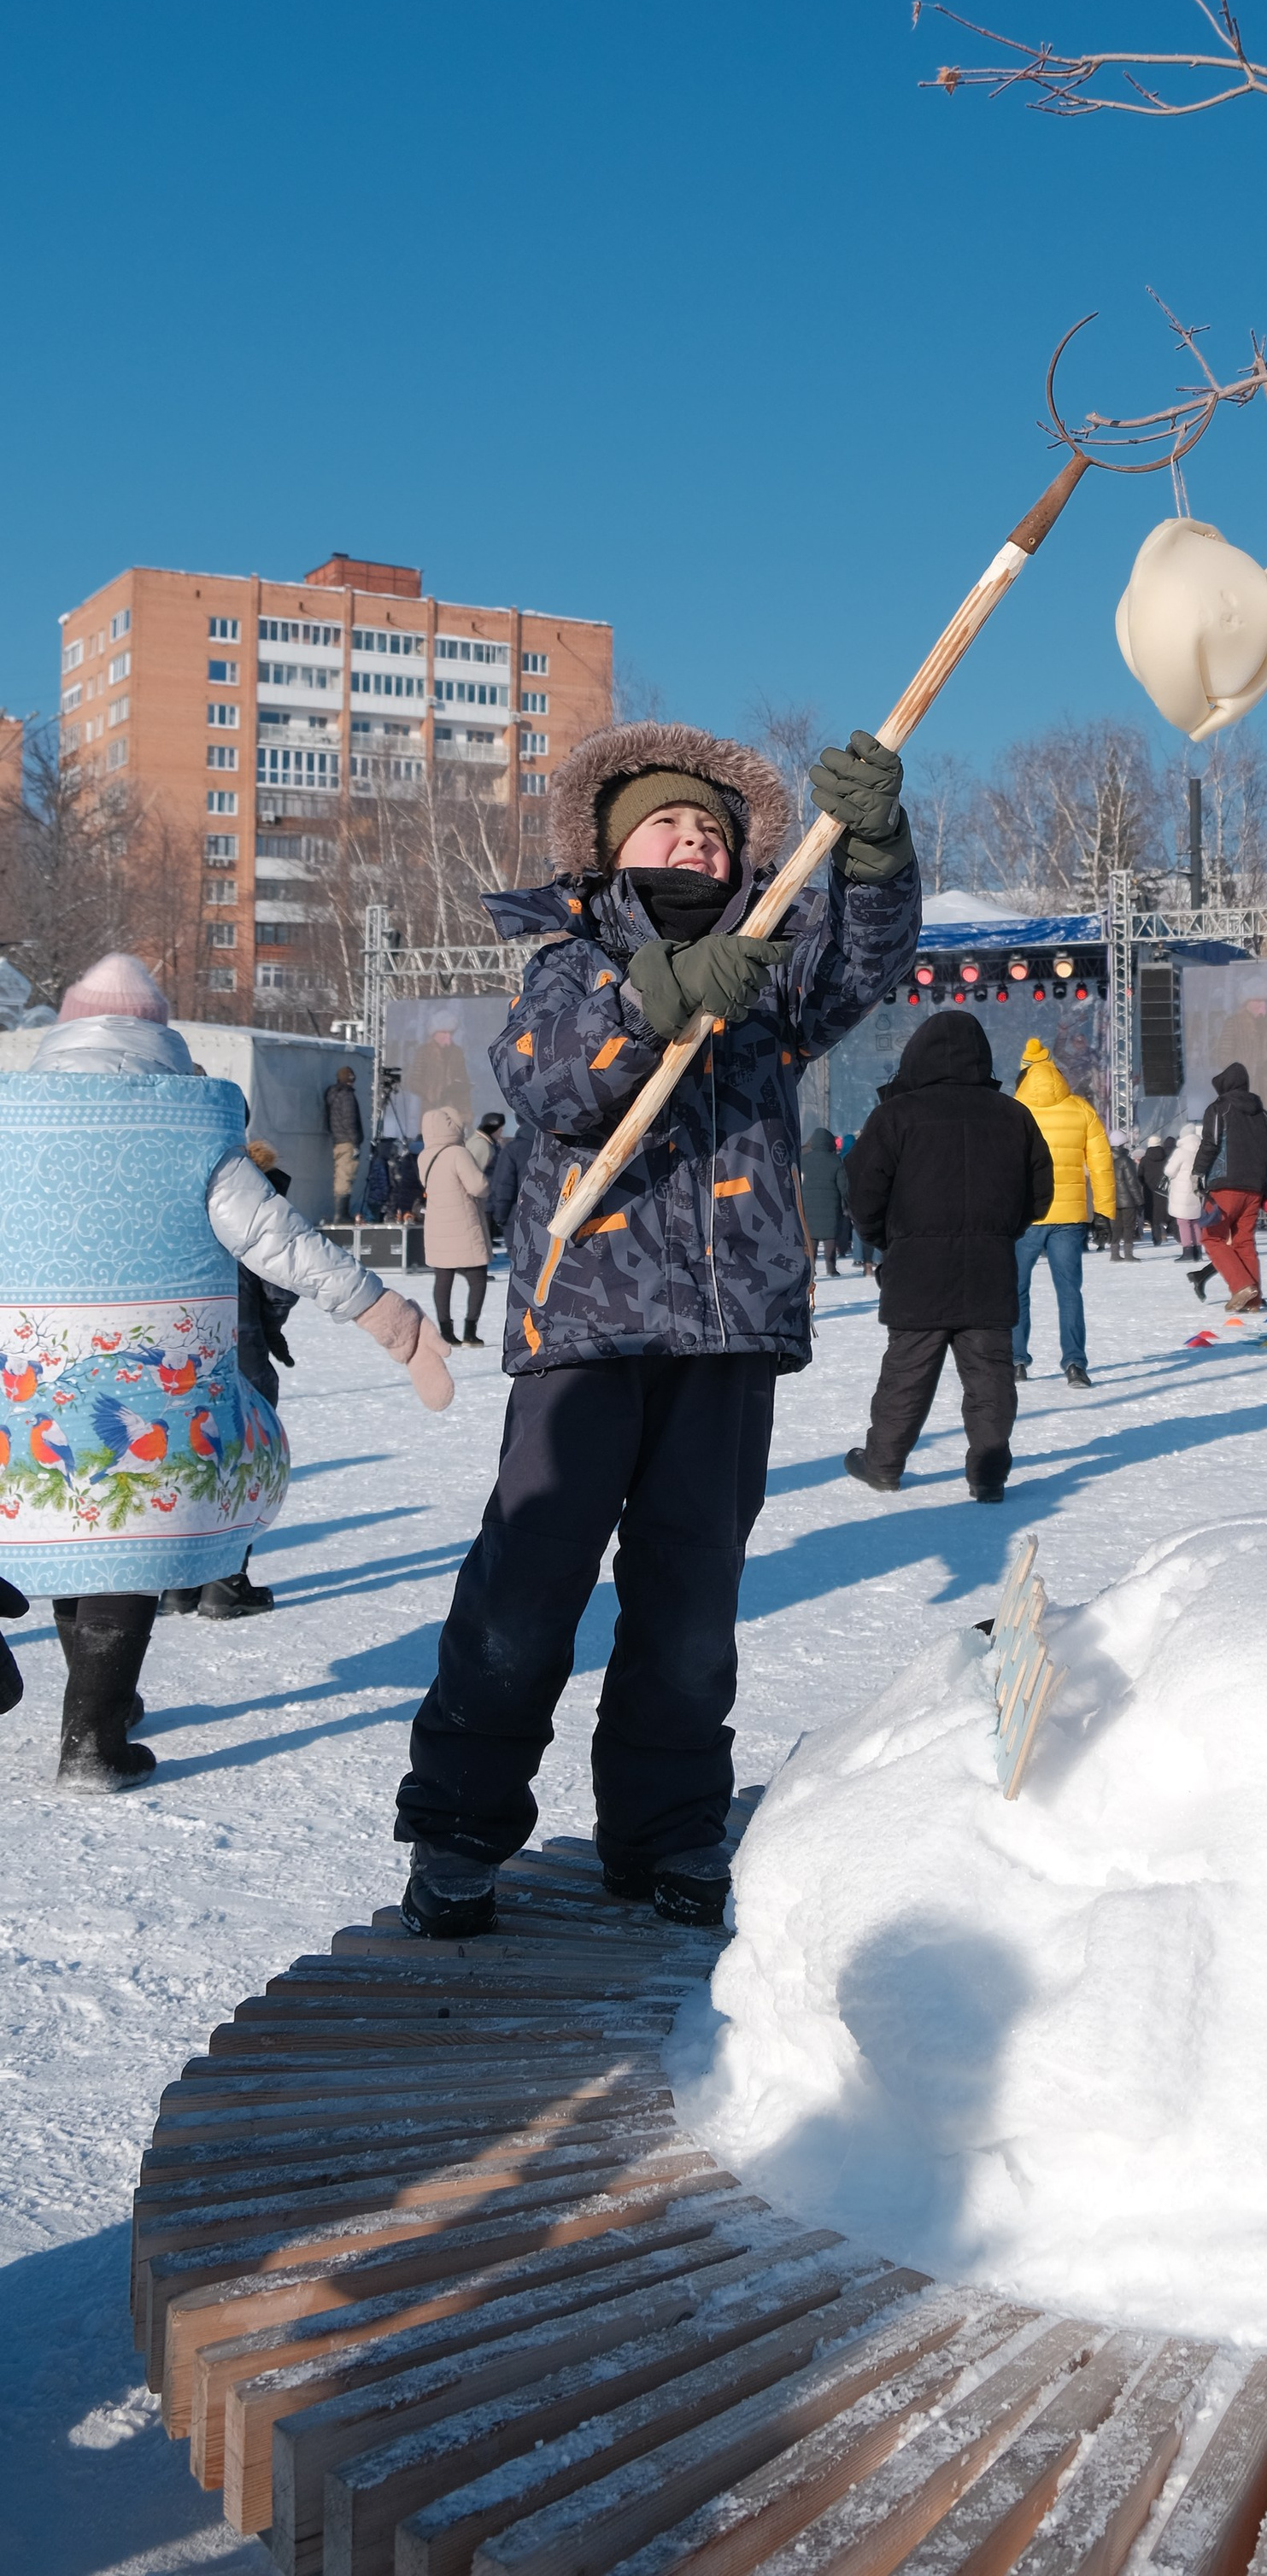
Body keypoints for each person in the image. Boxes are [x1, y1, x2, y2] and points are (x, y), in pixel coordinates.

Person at [394, 717, 918, 1936]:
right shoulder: (567, 959)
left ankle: (666, 1827)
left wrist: (877, 851)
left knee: (691, 1602)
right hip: (590, 1331)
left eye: (711, 829)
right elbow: (549, 1083)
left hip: (726, 1337)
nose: (694, 840)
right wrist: (655, 998)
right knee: (526, 1589)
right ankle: (461, 1830)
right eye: (667, 824)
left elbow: (867, 962)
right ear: (614, 850)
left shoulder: (773, 968)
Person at [0, 956, 449, 1790]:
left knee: (72, 1531)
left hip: (32, 1381)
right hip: (154, 1386)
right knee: (126, 1549)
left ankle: (97, 1706)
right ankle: (95, 1734)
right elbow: (280, 1241)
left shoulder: (10, 1123)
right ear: (159, 1035)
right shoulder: (190, 1129)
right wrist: (381, 1309)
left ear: (63, 1033)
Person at [842, 1011, 1053, 1499]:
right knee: (990, 1376)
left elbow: (863, 1191)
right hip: (988, 1265)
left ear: (916, 1055)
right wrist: (1000, 1233)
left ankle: (883, 1465)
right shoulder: (1013, 1115)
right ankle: (989, 1476)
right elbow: (1040, 1193)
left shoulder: (896, 1115)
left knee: (906, 1371)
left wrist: (889, 1240)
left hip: (917, 1269)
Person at [161, 1134, 298, 1620]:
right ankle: (224, 1583)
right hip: (240, 1347)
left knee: (186, 1457)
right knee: (241, 1460)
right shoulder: (253, 1191)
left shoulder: (163, 1187)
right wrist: (270, 1327)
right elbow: (281, 1278)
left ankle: (178, 1583)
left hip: (175, 1354)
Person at [1012, 1038, 1113, 1386]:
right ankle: (1075, 1364)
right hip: (1069, 1217)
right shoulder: (1080, 1108)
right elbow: (1101, 1165)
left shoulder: (1014, 1110)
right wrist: (1104, 1212)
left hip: (1025, 1215)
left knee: (1016, 1289)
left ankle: (1016, 1360)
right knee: (1069, 1292)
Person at [1189, 1061, 1267, 1311]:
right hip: (1255, 1187)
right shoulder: (1263, 1115)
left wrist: (1198, 1172)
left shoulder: (1219, 1109)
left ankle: (1241, 1286)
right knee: (1244, 1241)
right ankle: (1253, 1301)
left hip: (1224, 1184)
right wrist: (1266, 1183)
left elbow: (1210, 1143)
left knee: (1212, 1237)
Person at [421, 1105, 492, 1346]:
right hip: (463, 1224)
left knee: (443, 1278)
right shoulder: (458, 1154)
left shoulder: (424, 1156)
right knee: (477, 1278)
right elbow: (478, 1186)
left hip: (436, 1225)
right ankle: (470, 1332)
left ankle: (446, 1332)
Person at [801, 1121, 849, 1277]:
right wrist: (845, 1203)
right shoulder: (836, 1161)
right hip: (831, 1205)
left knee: (811, 1236)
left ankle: (811, 1267)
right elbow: (843, 1186)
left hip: (808, 1205)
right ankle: (831, 1267)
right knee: (830, 1236)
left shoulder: (804, 1160)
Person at [325, 1063, 364, 1216]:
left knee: (342, 1175)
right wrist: (355, 1142)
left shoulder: (333, 1094)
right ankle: (341, 1214)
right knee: (346, 1176)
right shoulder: (347, 1095)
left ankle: (341, 1213)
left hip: (338, 1140)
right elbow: (349, 1120)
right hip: (347, 1142)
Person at [485, 1117, 531, 1242]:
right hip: (553, 1217)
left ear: (518, 1123)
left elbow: (503, 1186)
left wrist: (500, 1217)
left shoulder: (513, 1149)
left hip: (517, 1217)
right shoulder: (557, 1145)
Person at [1166, 1134, 1202, 1256]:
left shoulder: (1180, 1152)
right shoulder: (1199, 1151)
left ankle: (1187, 1251)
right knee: (1195, 1221)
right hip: (1195, 1189)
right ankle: (1198, 1250)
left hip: (1181, 1191)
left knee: (1183, 1221)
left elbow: (1169, 1171)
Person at [1109, 1143, 1145, 1262]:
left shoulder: (1107, 1159)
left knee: (1116, 1227)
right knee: (1129, 1226)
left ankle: (1114, 1254)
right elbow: (1131, 1183)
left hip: (1112, 1199)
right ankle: (1128, 1254)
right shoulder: (1126, 1160)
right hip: (1127, 1200)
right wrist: (1139, 1201)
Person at [1138, 1135, 1174, 1246]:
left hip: (1149, 1192)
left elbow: (1139, 1176)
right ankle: (1172, 1234)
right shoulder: (1166, 1158)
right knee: (1166, 1213)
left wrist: (1145, 1184)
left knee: (1154, 1217)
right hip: (1163, 1190)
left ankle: (1156, 1238)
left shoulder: (1144, 1160)